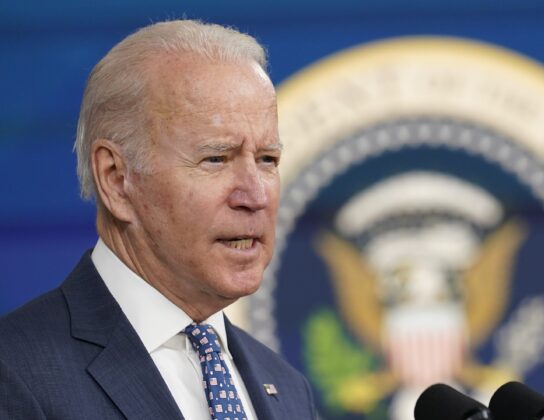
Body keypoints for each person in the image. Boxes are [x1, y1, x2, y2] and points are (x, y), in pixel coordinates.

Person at [0, 20, 317, 419]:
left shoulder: (288, 389)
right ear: (116, 179)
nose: (255, 196)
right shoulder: (14, 376)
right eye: (215, 159)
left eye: (267, 159)